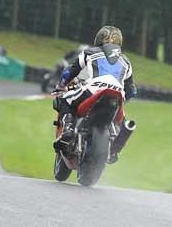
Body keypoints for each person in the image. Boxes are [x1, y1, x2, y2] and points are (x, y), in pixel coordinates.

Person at [53, 26, 137, 160]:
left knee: (63, 99)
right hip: (117, 95)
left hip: (93, 90)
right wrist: (124, 99)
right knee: (122, 120)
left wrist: (61, 86)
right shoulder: (126, 61)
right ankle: (115, 148)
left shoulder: (89, 52)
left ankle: (68, 130)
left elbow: (69, 71)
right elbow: (132, 91)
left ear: (100, 39)